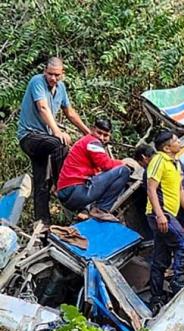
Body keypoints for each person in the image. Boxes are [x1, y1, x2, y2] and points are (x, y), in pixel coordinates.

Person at [17, 57, 91, 224]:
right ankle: (63, 185)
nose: (53, 78)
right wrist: (57, 131)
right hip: (30, 137)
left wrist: (89, 133)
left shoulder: (61, 88)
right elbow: (42, 107)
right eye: (50, 74)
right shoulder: (37, 81)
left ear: (62, 74)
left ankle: (42, 224)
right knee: (59, 144)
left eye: (57, 75)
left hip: (44, 139)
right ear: (45, 71)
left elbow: (70, 113)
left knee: (41, 182)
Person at [146, 130, 184, 306]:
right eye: (175, 140)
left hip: (169, 214)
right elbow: (151, 188)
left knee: (160, 258)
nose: (178, 142)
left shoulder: (175, 163)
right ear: (167, 147)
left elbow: (180, 190)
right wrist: (159, 215)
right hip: (161, 213)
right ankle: (178, 281)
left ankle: (157, 296)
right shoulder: (158, 160)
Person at [55, 118, 131, 222]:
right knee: (124, 171)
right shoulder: (92, 142)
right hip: (74, 191)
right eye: (99, 133)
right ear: (92, 129)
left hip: (68, 192)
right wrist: (122, 163)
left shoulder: (86, 141)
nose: (101, 137)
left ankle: (87, 210)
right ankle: (101, 209)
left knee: (99, 177)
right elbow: (106, 165)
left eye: (105, 135)